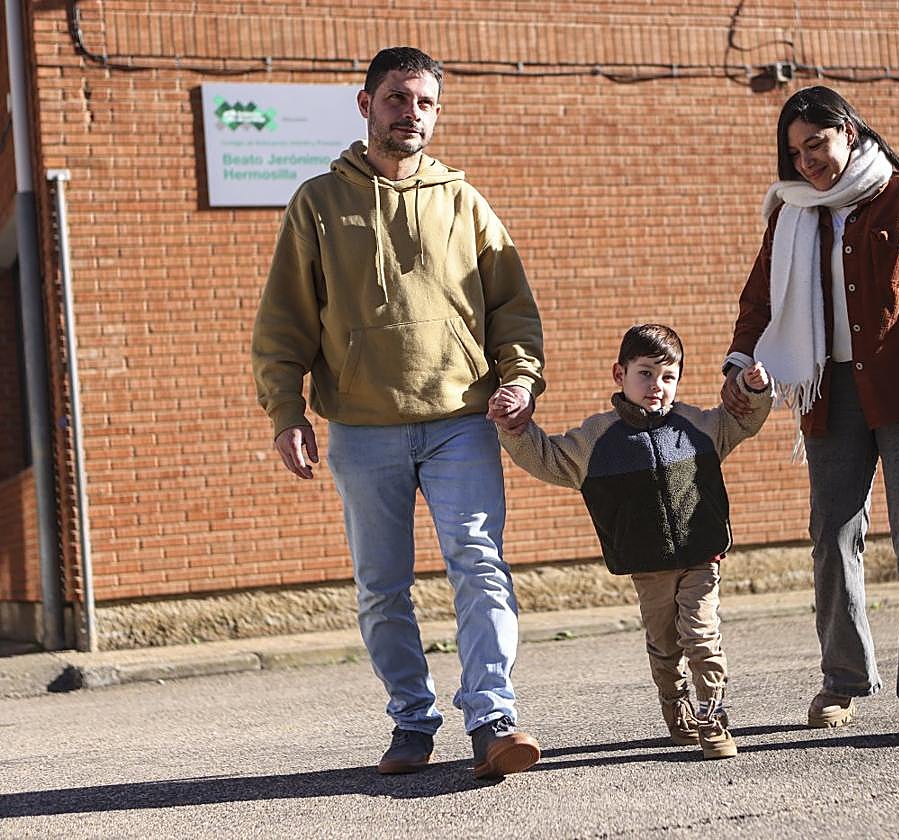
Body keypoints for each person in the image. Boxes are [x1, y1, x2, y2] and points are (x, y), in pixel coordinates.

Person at [251, 46, 545, 780]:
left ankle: (493, 718)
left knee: (479, 565)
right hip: (361, 427)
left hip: (460, 419)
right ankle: (412, 720)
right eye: (396, 98)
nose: (411, 113)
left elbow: (512, 305)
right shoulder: (318, 202)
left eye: (424, 102)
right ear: (366, 104)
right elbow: (284, 321)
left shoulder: (464, 202)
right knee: (382, 587)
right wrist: (287, 410)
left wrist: (520, 379)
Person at [721, 86, 899, 742]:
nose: (807, 161)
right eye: (796, 152)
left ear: (847, 131)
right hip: (830, 395)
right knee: (832, 535)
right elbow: (760, 299)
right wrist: (738, 363)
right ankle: (843, 678)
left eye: (816, 144)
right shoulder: (793, 213)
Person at [493, 324, 773, 759]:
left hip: (702, 556)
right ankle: (675, 703)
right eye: (645, 374)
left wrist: (754, 391)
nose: (657, 386)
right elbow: (547, 458)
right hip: (647, 564)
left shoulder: (698, 426)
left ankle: (712, 717)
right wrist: (515, 429)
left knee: (702, 636)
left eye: (668, 376)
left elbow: (742, 419)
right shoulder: (596, 439)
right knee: (665, 644)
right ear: (619, 374)